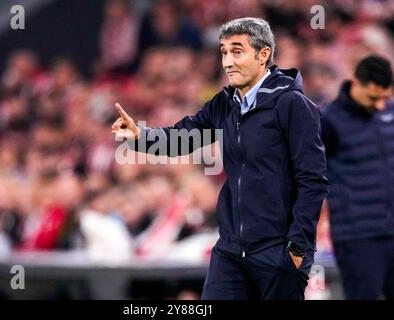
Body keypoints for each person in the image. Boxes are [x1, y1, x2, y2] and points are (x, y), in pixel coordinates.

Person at [112, 17, 328, 300]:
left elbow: (313, 180)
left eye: (237, 51)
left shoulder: (292, 105)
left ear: (263, 55)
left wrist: (298, 249)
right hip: (231, 249)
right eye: (224, 52)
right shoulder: (224, 104)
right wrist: (139, 135)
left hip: (277, 250)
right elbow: (182, 138)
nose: (227, 61)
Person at [321, 55, 394, 300]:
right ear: (355, 84)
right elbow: (308, 172)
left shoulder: (390, 113)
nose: (380, 105)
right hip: (358, 236)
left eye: (384, 98)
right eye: (373, 98)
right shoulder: (329, 120)